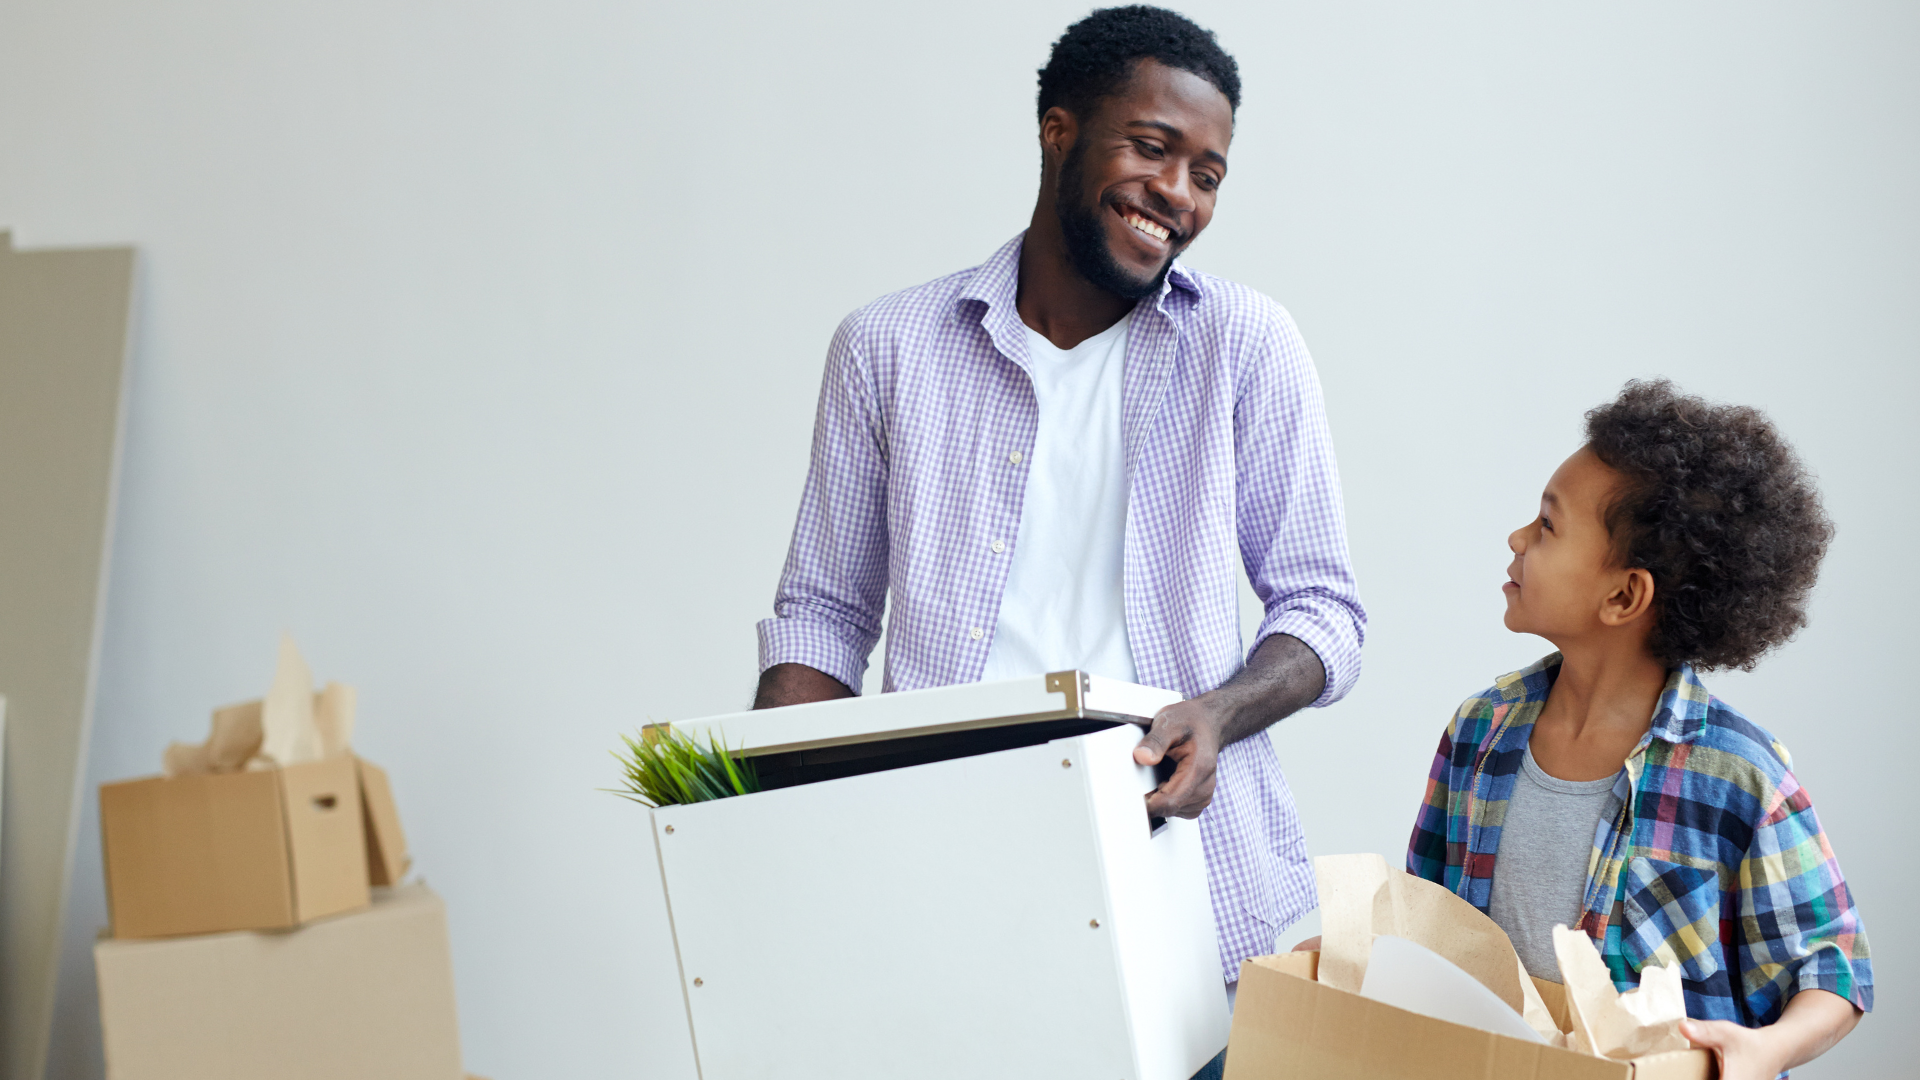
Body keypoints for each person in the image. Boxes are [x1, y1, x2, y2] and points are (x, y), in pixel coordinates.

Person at [752, 8, 1366, 1075]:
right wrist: (771, 835)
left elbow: (1325, 613)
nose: (1180, 193)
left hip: (1188, 875)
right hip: (951, 871)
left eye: (1209, 174)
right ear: (1058, 129)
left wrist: (1217, 715)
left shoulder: (1247, 346)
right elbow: (824, 618)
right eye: (1152, 147)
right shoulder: (888, 348)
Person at [1404, 380, 1872, 1078]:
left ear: (1623, 595)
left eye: (1548, 525)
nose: (1517, 538)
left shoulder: (1740, 776)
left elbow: (1834, 972)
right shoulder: (1480, 730)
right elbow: (1427, 918)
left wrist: (1767, 1048)